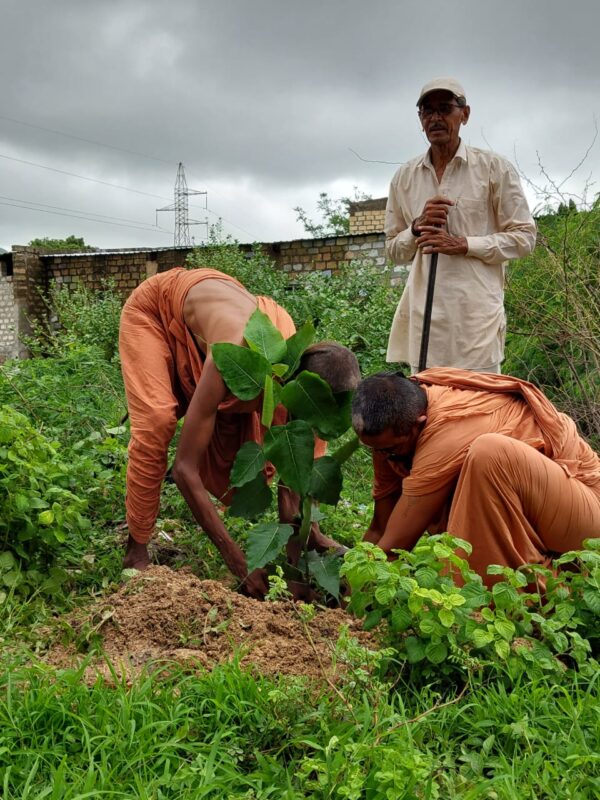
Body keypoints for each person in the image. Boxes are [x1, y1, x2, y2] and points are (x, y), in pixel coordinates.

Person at [119, 267, 361, 598]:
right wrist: (238, 561)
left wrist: (300, 570)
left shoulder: (312, 393)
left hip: (225, 320)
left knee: (263, 468)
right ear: (295, 385)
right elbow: (184, 468)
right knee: (158, 420)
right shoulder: (233, 356)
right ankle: (136, 549)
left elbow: (294, 484)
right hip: (157, 315)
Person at [351, 368, 600, 585]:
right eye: (375, 449)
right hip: (541, 513)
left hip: (588, 510)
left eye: (389, 450)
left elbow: (396, 543)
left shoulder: (444, 434)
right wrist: (348, 584)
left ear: (419, 423)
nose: (382, 457)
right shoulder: (390, 439)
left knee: (489, 452)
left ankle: (537, 591)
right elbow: (381, 528)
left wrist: (358, 592)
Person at [385, 77, 537, 374]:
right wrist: (415, 229)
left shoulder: (494, 168)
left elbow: (524, 238)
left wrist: (464, 244)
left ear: (464, 114)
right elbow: (393, 250)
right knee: (431, 415)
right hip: (424, 325)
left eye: (445, 109)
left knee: (476, 413)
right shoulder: (404, 177)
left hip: (476, 323)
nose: (435, 118)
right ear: (420, 119)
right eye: (427, 111)